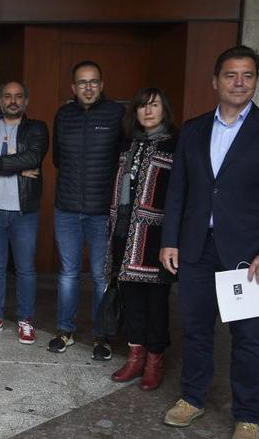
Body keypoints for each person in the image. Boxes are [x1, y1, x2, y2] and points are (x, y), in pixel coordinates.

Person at [159, 46, 259, 439]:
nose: (239, 82)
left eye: (247, 75)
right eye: (230, 75)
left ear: (256, 80)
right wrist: (170, 240)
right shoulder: (193, 129)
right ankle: (192, 398)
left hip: (250, 254)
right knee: (196, 328)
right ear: (215, 81)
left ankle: (247, 415)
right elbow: (178, 192)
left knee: (248, 337)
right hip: (196, 248)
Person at [49, 60, 125, 359]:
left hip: (101, 211)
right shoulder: (63, 115)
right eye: (82, 82)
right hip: (66, 208)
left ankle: (101, 336)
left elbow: (123, 161)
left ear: (102, 85)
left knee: (99, 276)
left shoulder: (117, 114)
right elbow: (58, 159)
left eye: (93, 81)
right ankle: (65, 330)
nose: (88, 87)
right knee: (67, 273)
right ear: (74, 87)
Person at [104, 88, 177, 391]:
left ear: (164, 110)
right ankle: (135, 357)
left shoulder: (175, 145)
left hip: (156, 238)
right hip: (124, 233)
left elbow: (180, 195)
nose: (148, 111)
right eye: (142, 107)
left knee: (156, 305)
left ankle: (154, 362)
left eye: (155, 105)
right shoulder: (127, 144)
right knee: (131, 299)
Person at [0, 81, 49, 344]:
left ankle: (25, 320)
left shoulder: (36, 128)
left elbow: (33, 158)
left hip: (24, 211)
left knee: (25, 268)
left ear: (26, 101)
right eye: (7, 96)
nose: (12, 101)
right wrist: (17, 166)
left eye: (18, 97)